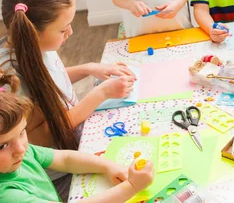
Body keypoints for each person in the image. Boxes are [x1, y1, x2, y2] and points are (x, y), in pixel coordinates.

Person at [0, 0, 135, 200]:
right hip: (57, 173)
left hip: (73, 145)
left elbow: (48, 83)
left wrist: (88, 68)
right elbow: (46, 135)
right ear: (32, 32)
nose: (71, 32)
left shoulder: (39, 46)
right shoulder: (12, 81)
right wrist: (100, 94)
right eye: (63, 28)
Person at [0, 79, 154, 202]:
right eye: (3, 145)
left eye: (22, 133)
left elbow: (65, 159)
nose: (20, 148)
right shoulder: (7, 195)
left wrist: (108, 166)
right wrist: (131, 187)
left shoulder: (22, 152)